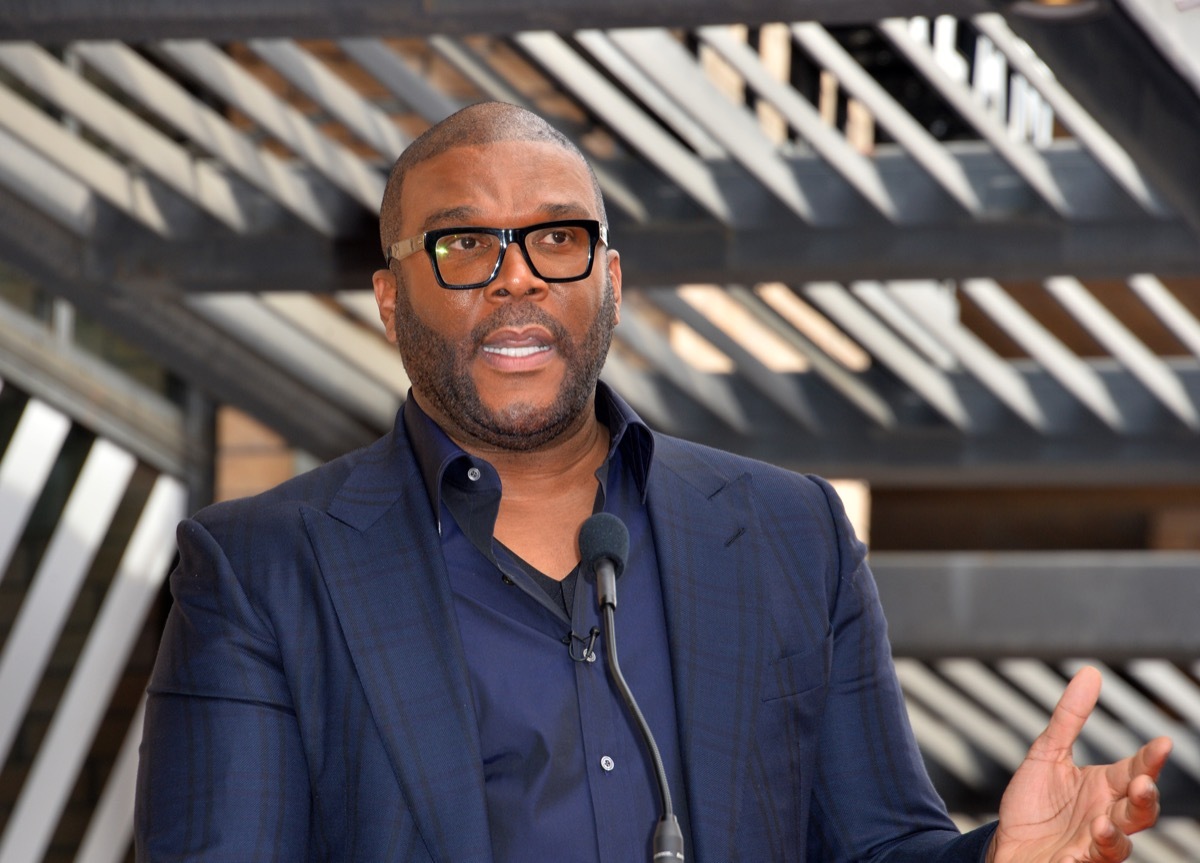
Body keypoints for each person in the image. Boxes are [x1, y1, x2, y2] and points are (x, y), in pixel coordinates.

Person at [134, 101, 1171, 862]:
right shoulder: (264, 566)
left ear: (610, 282)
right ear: (390, 300)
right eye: (462, 246)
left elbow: (874, 847)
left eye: (557, 237)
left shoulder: (787, 531)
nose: (518, 275)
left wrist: (999, 857)